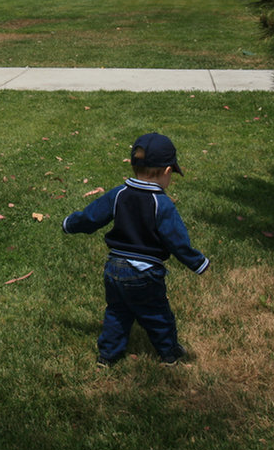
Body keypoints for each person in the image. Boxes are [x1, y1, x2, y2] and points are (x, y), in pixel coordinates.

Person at [62, 132, 209, 367]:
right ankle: (170, 353)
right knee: (158, 315)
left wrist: (70, 224)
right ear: (168, 172)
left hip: (113, 268)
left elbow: (91, 217)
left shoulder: (118, 194)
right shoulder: (162, 203)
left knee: (117, 313)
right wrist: (197, 262)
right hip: (145, 273)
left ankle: (107, 356)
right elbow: (177, 241)